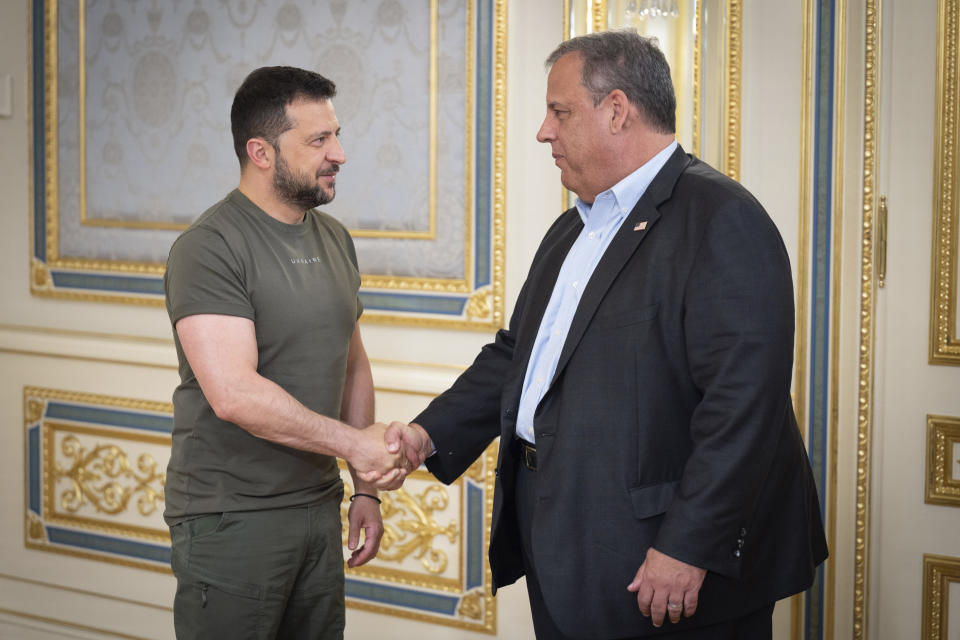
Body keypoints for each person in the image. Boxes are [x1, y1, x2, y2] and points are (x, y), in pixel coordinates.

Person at [385, 31, 828, 639]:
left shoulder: (722, 218)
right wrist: (424, 434)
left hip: (665, 562)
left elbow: (743, 403)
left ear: (616, 110)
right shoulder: (572, 230)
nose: (544, 131)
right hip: (566, 541)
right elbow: (520, 357)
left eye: (559, 112)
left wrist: (688, 545)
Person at [163, 66, 412, 640]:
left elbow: (353, 365)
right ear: (261, 152)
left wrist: (365, 488)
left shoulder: (334, 238)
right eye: (319, 140)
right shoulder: (208, 248)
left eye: (337, 135)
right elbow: (234, 394)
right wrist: (358, 446)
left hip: (317, 509)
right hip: (231, 519)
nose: (340, 154)